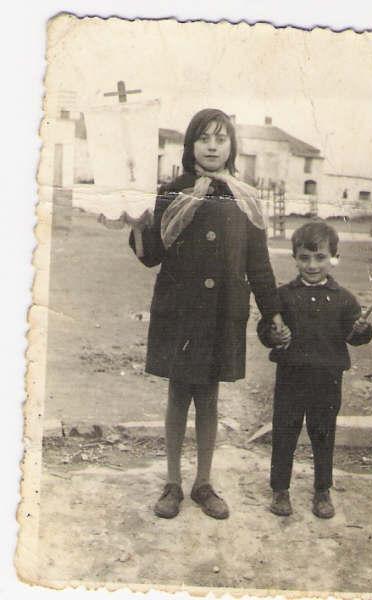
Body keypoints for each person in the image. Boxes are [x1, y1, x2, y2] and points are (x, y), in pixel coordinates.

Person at [129, 108, 284, 520]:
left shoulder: (245, 197)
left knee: (209, 397)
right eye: (204, 138)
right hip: (180, 312)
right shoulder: (172, 191)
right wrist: (138, 225)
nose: (212, 146)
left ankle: (203, 483)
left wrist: (273, 312)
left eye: (220, 138)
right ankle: (172, 483)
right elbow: (152, 254)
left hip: (222, 313)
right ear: (191, 145)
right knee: (179, 394)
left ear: (232, 146)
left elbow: (259, 263)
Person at [257, 219, 372, 519]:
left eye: (320, 257)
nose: (312, 265)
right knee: (285, 432)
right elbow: (265, 330)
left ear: (334, 257)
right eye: (304, 258)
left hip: (327, 379)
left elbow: (354, 336)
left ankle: (322, 490)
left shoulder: (344, 299)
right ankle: (280, 489)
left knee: (323, 433)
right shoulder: (282, 296)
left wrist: (362, 330)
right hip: (291, 378)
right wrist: (274, 335)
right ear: (294, 258)